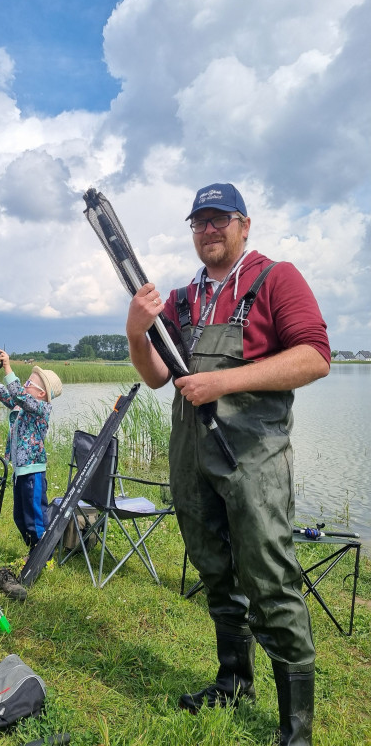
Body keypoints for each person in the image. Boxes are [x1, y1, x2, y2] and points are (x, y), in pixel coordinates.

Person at [125, 183, 330, 746]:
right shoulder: (181, 299)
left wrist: (224, 381)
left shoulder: (277, 278)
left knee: (270, 576)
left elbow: (315, 357)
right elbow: (156, 376)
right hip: (192, 455)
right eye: (199, 222)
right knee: (214, 568)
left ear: (244, 225)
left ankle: (296, 730)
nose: (209, 230)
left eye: (220, 220)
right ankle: (233, 681)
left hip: (253, 456)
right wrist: (136, 331)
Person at [0, 350, 62, 599]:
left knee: (35, 518)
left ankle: (43, 558)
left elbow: (18, 393)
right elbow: (6, 393)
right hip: (21, 471)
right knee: (20, 517)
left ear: (41, 394)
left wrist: (8, 368)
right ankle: (34, 552)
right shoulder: (23, 406)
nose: (25, 384)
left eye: (30, 383)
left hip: (34, 472)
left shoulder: (41, 408)